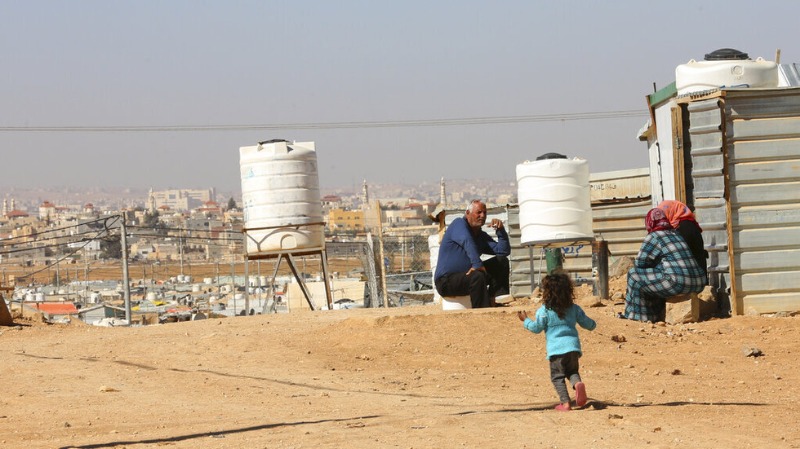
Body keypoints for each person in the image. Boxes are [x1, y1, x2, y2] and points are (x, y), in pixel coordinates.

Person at [517, 272, 596, 411]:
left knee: (557, 377)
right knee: (572, 371)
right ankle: (577, 384)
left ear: (547, 292)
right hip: (573, 348)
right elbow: (587, 324)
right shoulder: (574, 308)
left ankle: (565, 403)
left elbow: (536, 328)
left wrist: (526, 320)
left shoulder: (544, 311)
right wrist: (593, 325)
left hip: (556, 350)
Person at [623, 208, 707, 322]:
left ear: (649, 222)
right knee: (657, 276)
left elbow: (640, 263)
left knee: (634, 275)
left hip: (679, 282)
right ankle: (655, 315)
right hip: (699, 282)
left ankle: (637, 318)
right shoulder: (676, 233)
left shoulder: (654, 236)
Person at [434, 199, 510, 308]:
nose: (482, 215)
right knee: (477, 276)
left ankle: (494, 300)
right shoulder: (458, 224)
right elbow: (467, 241)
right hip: (445, 281)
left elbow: (503, 251)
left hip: (467, 277)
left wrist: (501, 231)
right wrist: (477, 265)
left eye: (484, 212)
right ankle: (482, 311)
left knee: (501, 262)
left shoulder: (480, 236)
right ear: (468, 213)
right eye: (479, 212)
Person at [657, 200, 708, 279]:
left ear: (671, 211)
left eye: (664, 213)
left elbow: (679, 255)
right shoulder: (686, 224)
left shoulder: (684, 227)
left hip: (691, 278)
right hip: (697, 275)